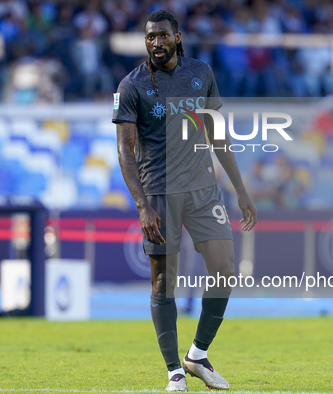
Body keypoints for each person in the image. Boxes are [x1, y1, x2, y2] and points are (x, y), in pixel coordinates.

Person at [113, 10, 257, 392]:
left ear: (177, 36)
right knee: (164, 282)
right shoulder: (131, 86)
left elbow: (217, 136)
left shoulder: (201, 73)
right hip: (159, 192)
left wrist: (240, 189)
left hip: (202, 189)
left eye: (162, 36)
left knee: (225, 269)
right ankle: (175, 369)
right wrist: (142, 205)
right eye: (150, 37)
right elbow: (125, 151)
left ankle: (197, 354)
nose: (156, 43)